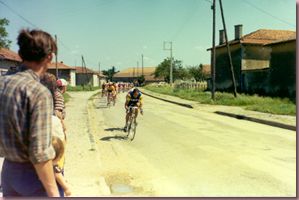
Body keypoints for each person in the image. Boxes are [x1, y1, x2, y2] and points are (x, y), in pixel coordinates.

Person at [0, 29, 59, 197]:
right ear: (49, 57)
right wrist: (54, 193)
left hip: (8, 172)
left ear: (20, 54)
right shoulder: (38, 92)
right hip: (32, 176)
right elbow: (40, 153)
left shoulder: (2, 83)